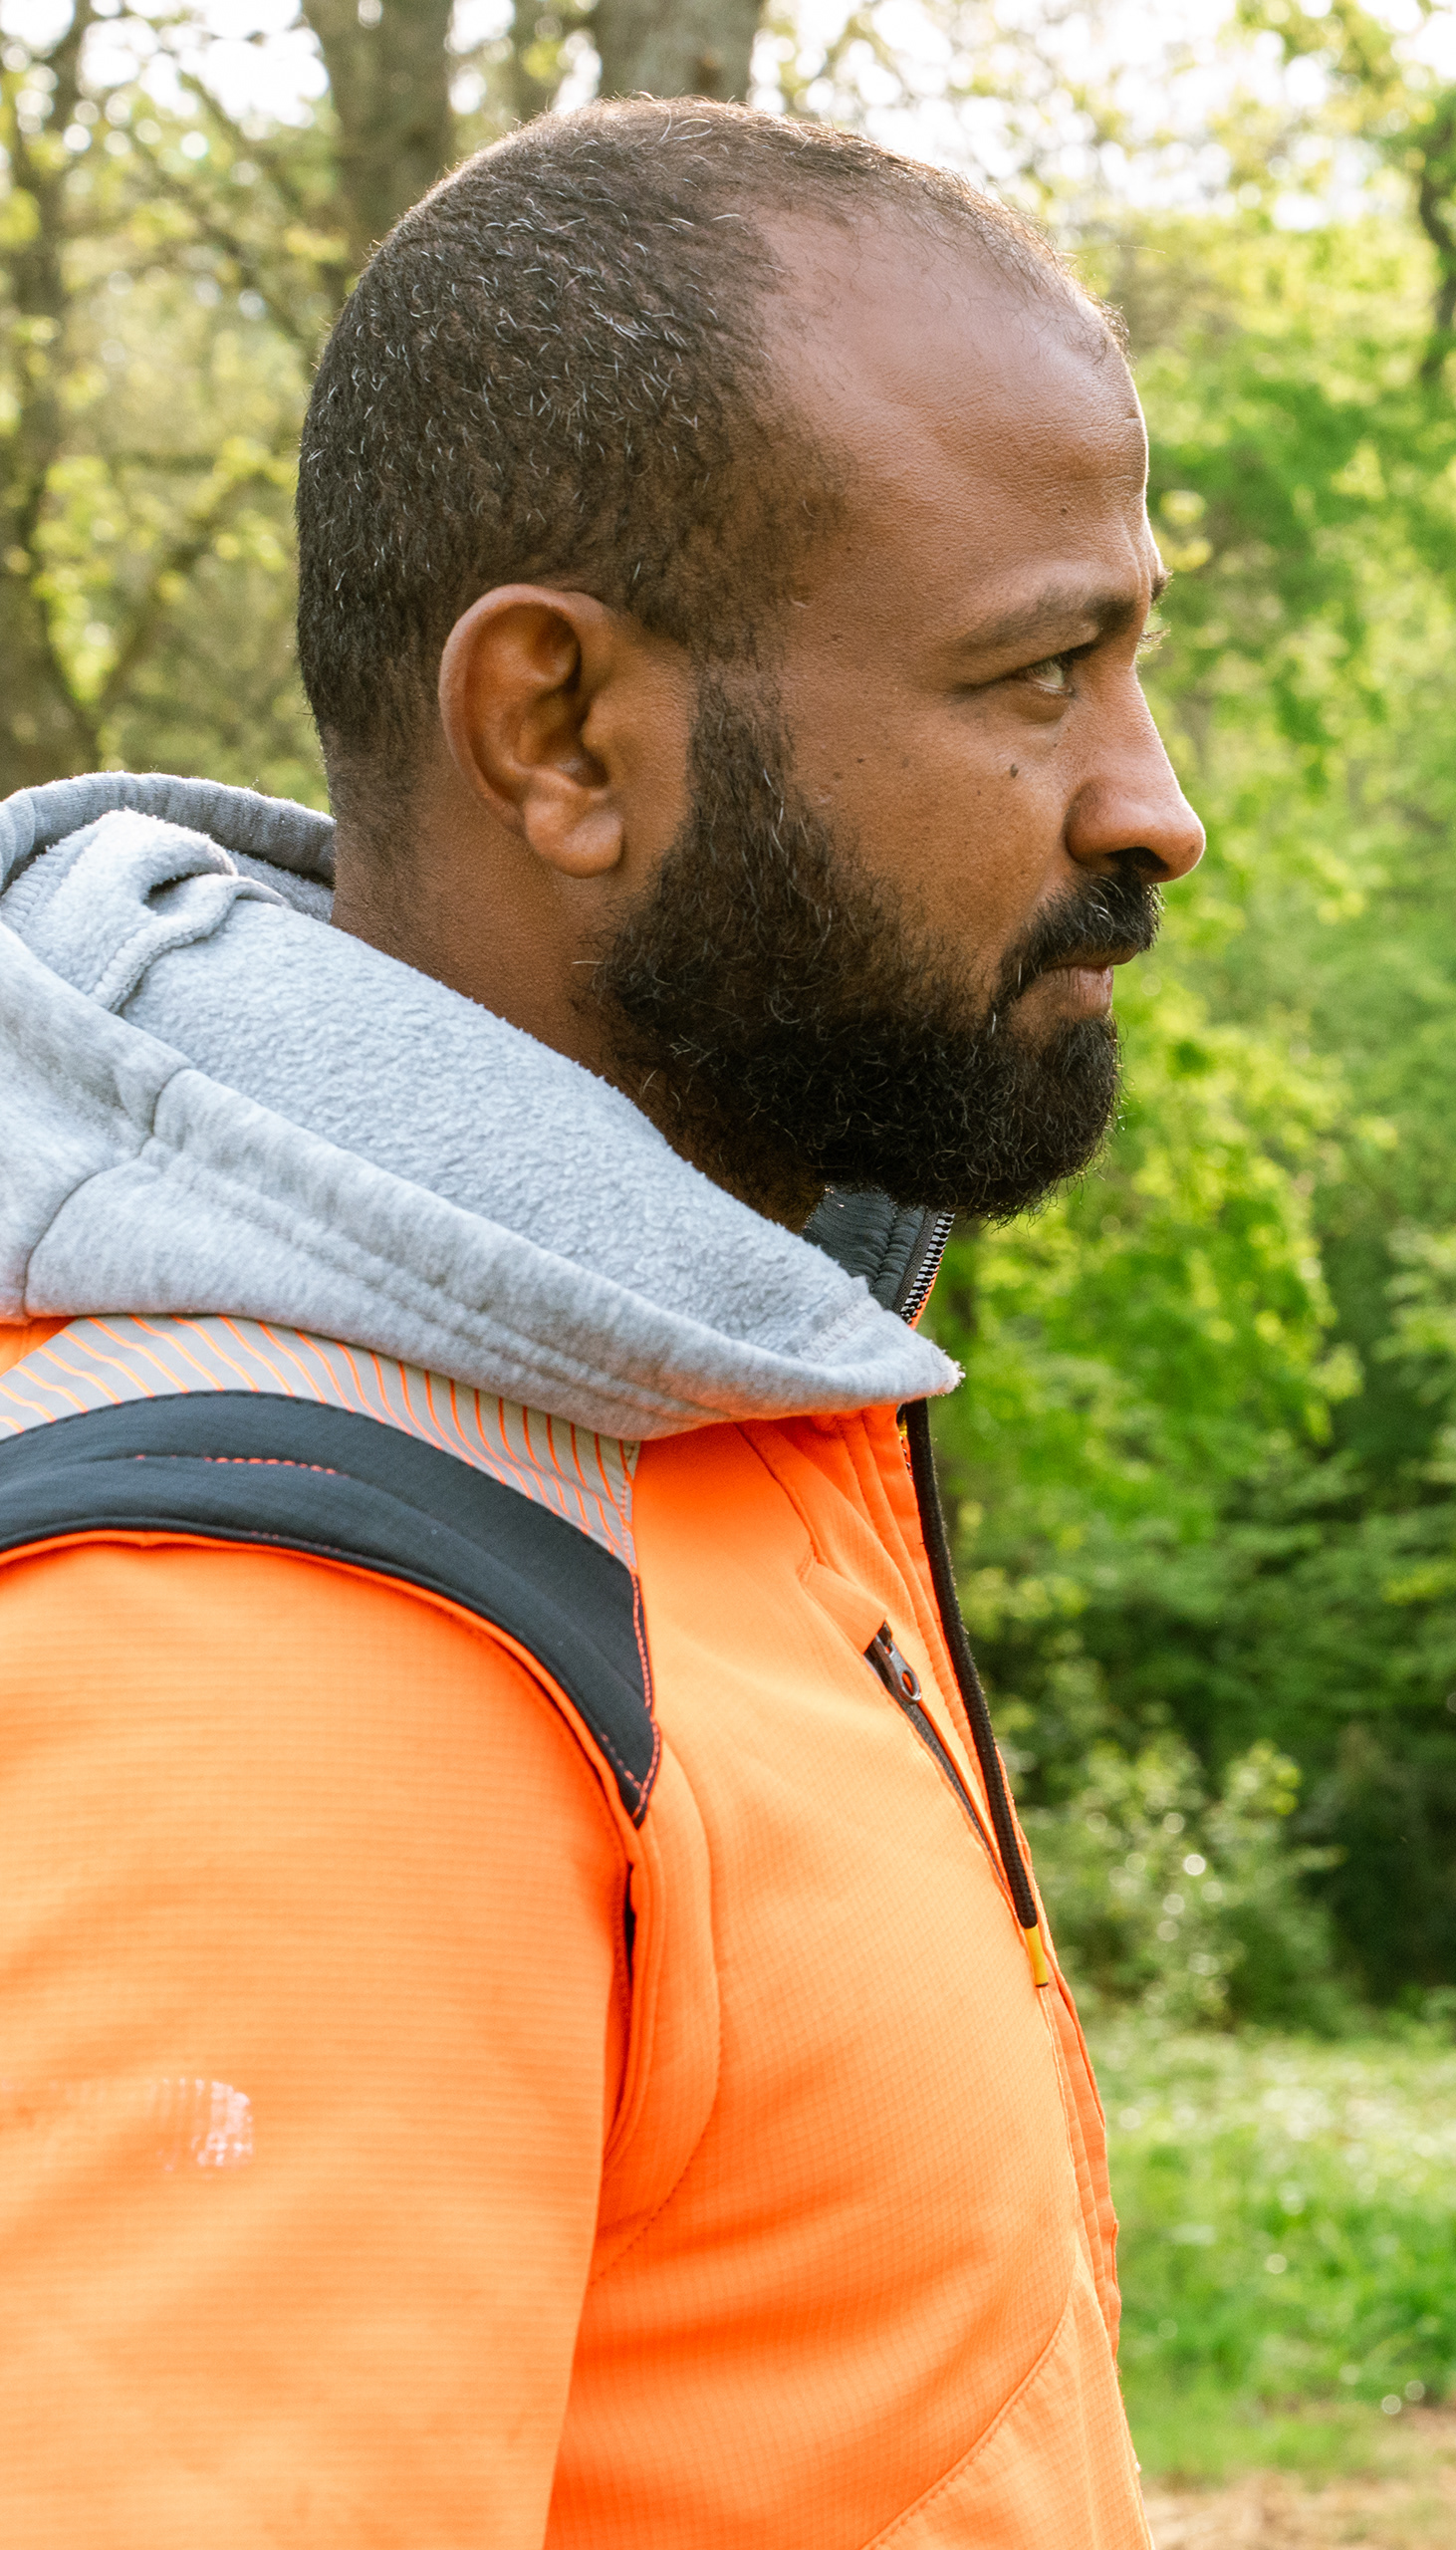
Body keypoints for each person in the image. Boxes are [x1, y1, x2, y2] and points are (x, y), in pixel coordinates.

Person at [0, 103, 1200, 2540]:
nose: (1152, 803)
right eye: (1035, 672)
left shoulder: (682, 1406)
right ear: (558, 732)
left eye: (1134, 658)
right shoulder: (289, 1643)